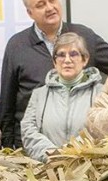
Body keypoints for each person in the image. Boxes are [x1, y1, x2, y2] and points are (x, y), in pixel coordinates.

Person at [0, 0, 108, 149]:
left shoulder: (84, 36)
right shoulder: (17, 45)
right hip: (33, 148)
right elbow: (7, 103)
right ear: (30, 13)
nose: (50, 7)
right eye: (41, 4)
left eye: (52, 0)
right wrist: (8, 147)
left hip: (85, 151)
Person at [20, 32, 102, 160]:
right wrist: (53, 155)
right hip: (47, 170)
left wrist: (72, 153)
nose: (67, 60)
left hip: (89, 169)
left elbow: (101, 130)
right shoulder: (39, 95)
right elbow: (28, 131)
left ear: (84, 59)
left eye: (73, 54)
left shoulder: (100, 93)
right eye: (61, 55)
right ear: (54, 61)